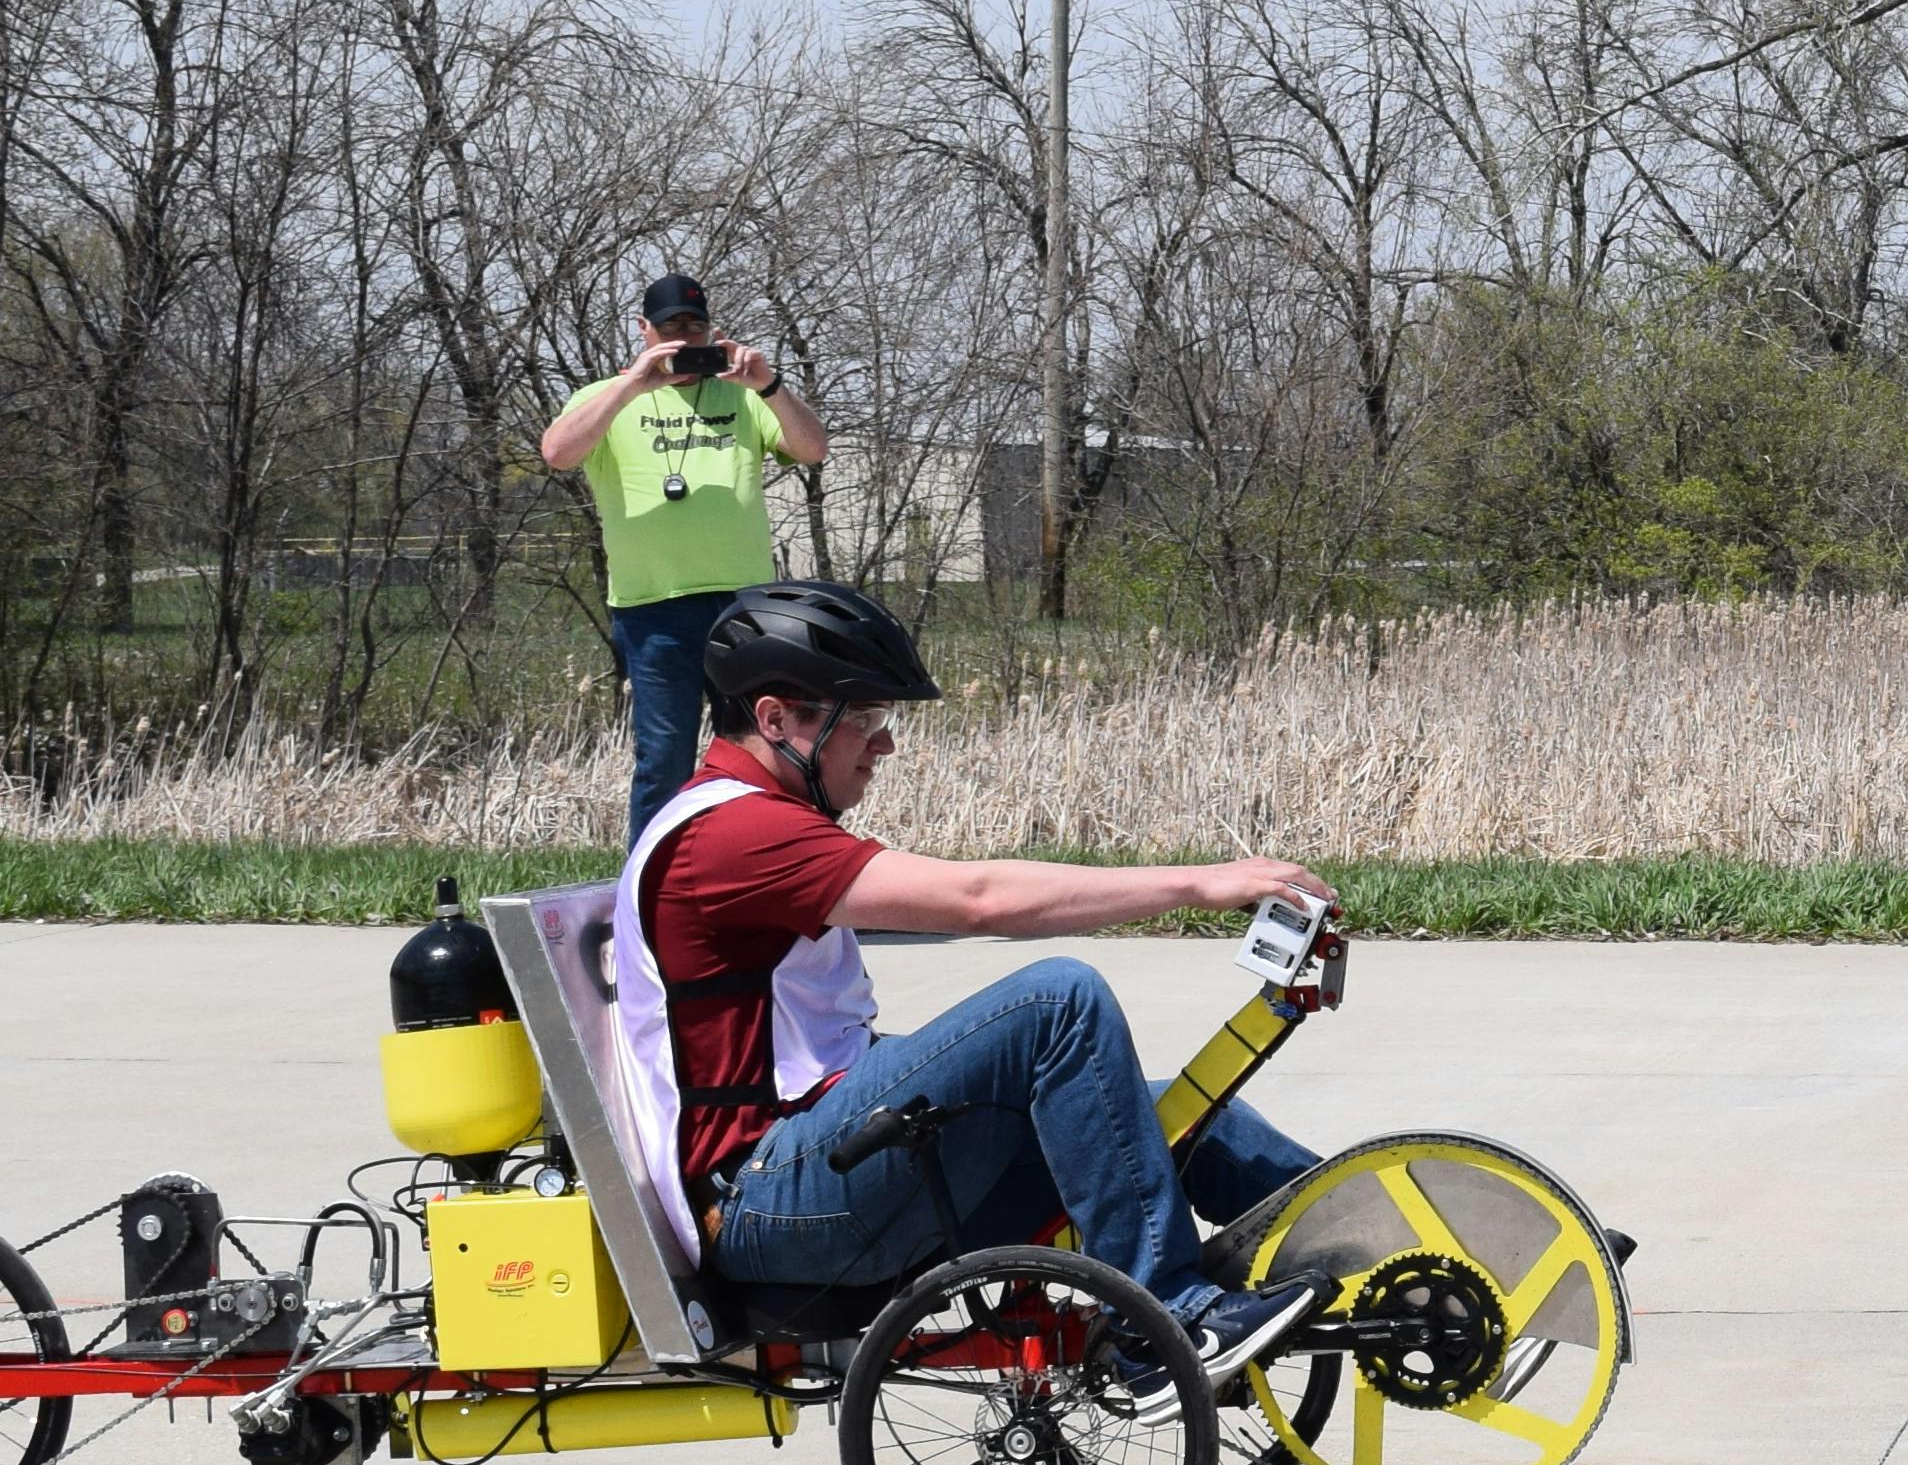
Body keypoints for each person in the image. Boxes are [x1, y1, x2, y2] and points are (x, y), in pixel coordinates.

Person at [608, 579, 1332, 1374]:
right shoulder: (735, 833)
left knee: (1173, 1114)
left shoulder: (746, 816)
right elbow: (978, 899)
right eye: (865, 720)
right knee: (1058, 1000)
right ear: (777, 718)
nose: (883, 746)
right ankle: (1162, 1323)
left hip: (819, 1170)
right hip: (774, 1202)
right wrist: (1200, 883)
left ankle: (1375, 1268)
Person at [543, 272, 828, 837]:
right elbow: (557, 453)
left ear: (712, 332)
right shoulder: (602, 399)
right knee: (664, 756)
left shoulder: (743, 397)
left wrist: (769, 385)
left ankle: (758, 872)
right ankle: (651, 892)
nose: (684, 341)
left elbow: (812, 448)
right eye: (670, 329)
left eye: (694, 329)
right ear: (644, 331)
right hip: (654, 607)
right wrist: (631, 387)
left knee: (758, 752)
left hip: (743, 605)